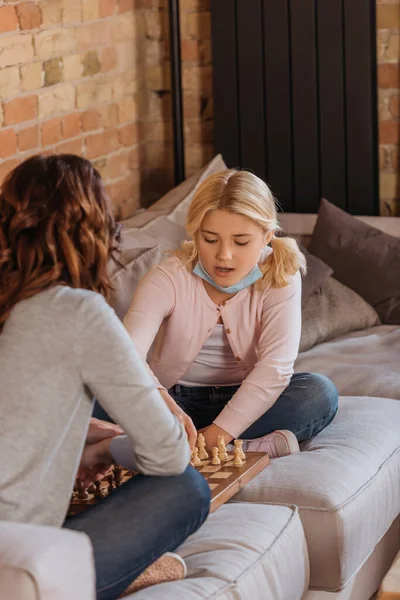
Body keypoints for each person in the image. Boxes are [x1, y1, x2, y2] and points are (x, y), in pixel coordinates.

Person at [0, 155, 210, 600]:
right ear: (93, 232)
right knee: (185, 487)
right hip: (17, 554)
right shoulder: (76, 310)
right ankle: (110, 573)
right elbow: (169, 455)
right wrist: (107, 449)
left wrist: (78, 438)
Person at [123, 169, 338, 456]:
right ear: (195, 233)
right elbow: (126, 354)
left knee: (318, 394)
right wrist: (161, 401)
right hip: (175, 402)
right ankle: (244, 447)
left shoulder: (280, 276)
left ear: (267, 237)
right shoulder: (168, 276)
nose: (224, 255)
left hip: (250, 400)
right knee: (94, 397)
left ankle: (216, 445)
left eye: (240, 242)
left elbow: (275, 368)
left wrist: (216, 435)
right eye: (210, 239)